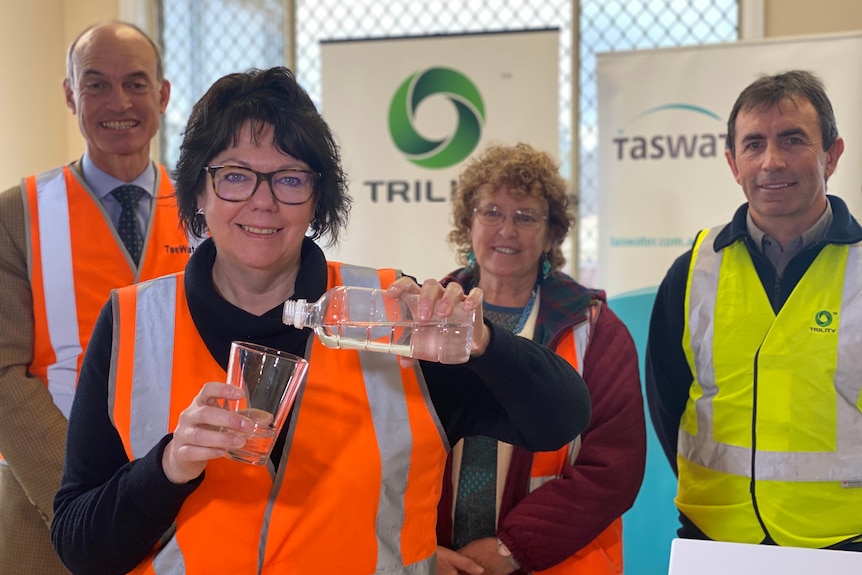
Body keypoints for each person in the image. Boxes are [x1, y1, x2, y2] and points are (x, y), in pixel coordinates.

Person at [50, 67, 590, 575]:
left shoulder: (389, 315)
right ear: (197, 190)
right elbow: (80, 546)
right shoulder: (131, 323)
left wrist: (485, 343)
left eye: (288, 179)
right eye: (235, 176)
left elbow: (560, 418)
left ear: (317, 196)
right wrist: (166, 468)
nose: (262, 203)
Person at [0, 22, 192, 574]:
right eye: (96, 85)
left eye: (135, 83)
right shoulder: (20, 214)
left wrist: (167, 478)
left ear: (162, 94)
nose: (119, 103)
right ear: (69, 95)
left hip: (185, 501)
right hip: (49, 508)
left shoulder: (208, 211)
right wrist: (87, 493)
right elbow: (5, 373)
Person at [646, 69, 862, 550]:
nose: (772, 161)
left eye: (793, 140)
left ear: (832, 154)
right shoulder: (692, 272)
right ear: (732, 162)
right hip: (718, 536)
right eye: (753, 144)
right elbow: (667, 402)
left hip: (844, 540)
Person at [435, 142, 646, 575]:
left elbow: (612, 469)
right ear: (467, 224)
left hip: (553, 564)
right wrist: (420, 547)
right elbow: (391, 452)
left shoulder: (595, 330)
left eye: (525, 217)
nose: (506, 230)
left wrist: (511, 548)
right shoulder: (426, 313)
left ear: (551, 235)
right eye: (491, 212)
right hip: (439, 563)